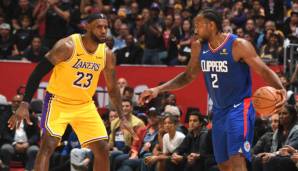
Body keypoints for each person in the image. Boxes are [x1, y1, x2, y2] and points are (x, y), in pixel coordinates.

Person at [140, 9, 286, 171]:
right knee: (223, 163)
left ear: (211, 25)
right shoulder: (198, 47)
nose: (195, 30)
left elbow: (264, 70)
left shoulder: (238, 45)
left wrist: (281, 89)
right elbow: (187, 76)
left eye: (199, 25)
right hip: (219, 111)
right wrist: (157, 89)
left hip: (239, 108)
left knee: (237, 158)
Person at [7, 13, 135, 171]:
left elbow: (113, 87)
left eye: (105, 27)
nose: (103, 31)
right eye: (99, 27)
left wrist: (122, 117)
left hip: (84, 105)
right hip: (58, 101)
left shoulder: (107, 54)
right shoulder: (67, 46)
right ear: (87, 27)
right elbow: (37, 73)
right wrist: (25, 103)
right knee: (48, 145)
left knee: (102, 148)